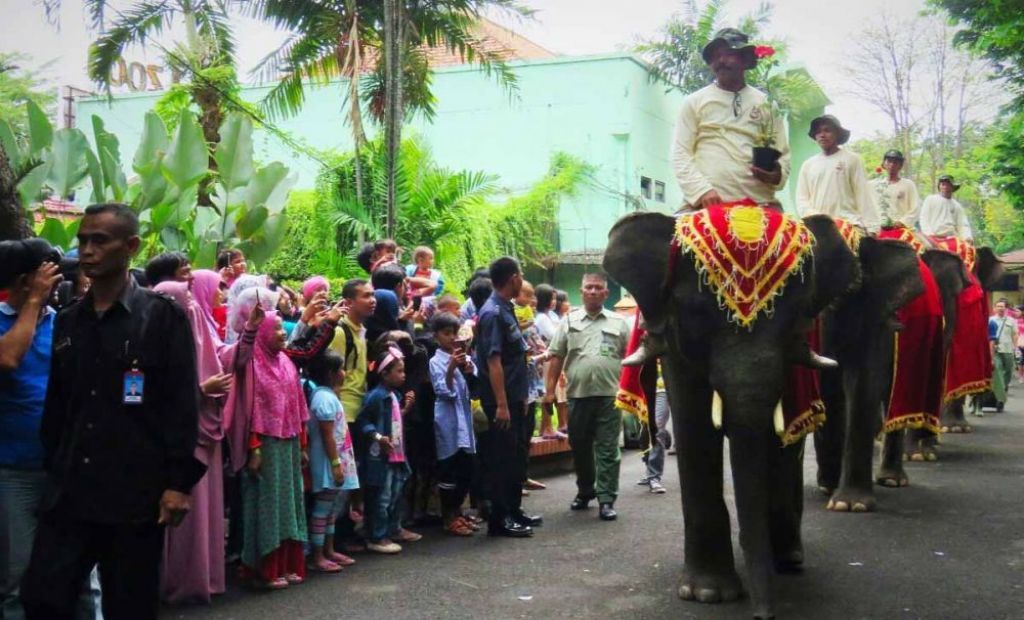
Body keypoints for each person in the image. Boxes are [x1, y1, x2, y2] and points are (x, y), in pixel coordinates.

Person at [21, 203, 205, 620]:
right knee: (43, 597)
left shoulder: (162, 318)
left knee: (130, 604)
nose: (88, 250)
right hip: (71, 490)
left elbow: (180, 403)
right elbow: (58, 404)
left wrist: (178, 484)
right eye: (83, 240)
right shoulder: (69, 321)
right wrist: (55, 462)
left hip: (134, 493)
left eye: (100, 241)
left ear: (131, 246)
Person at [0, 239, 62, 619]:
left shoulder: (65, 321)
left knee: (81, 575)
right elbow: (8, 358)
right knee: (17, 577)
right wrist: (34, 302)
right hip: (14, 471)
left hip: (63, 466)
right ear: (26, 280)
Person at [672, 27, 790, 209]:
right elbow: (680, 153)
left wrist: (776, 175)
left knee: (800, 229)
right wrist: (702, 191)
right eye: (716, 56)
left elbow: (782, 154)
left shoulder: (766, 104)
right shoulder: (694, 101)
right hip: (706, 204)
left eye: (728, 54)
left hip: (760, 204)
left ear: (745, 59)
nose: (721, 61)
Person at [544, 273, 631, 521]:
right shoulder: (568, 321)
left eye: (598, 288)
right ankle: (585, 490)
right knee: (580, 446)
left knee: (608, 448)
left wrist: (630, 392)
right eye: (588, 287)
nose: (593, 291)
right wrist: (549, 392)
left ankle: (607, 499)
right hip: (578, 395)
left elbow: (630, 357)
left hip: (609, 396)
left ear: (606, 293)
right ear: (581, 292)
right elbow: (556, 356)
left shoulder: (619, 323)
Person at [234, 308, 310, 590]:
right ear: (263, 332)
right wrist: (254, 448)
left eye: (282, 328)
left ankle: (287, 564)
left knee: (290, 505)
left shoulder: (286, 362)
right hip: (265, 445)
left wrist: (302, 444)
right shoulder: (252, 364)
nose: (283, 333)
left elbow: (297, 405)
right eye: (277, 328)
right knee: (267, 507)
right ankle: (263, 568)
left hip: (289, 442)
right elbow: (248, 409)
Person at [475, 257, 542, 538]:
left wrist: (521, 396)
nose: (522, 280)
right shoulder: (492, 313)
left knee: (515, 457)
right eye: (521, 275)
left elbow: (516, 358)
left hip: (515, 396)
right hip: (500, 401)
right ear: (513, 278)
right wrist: (502, 404)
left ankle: (514, 510)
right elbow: (494, 362)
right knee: (501, 459)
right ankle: (499, 520)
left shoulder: (506, 308)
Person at [356, 346, 421, 554]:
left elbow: (393, 419)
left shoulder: (394, 396)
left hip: (396, 455)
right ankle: (377, 536)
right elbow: (363, 421)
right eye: (399, 371)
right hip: (381, 456)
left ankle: (392, 529)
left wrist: (405, 410)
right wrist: (377, 437)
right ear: (384, 373)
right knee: (381, 498)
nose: (403, 375)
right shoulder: (376, 397)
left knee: (394, 495)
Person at [304, 350, 359, 572]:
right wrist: (336, 464)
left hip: (335, 462)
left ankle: (328, 550)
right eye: (341, 369)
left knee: (330, 511)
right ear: (331, 373)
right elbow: (327, 435)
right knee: (322, 510)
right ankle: (317, 555)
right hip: (328, 463)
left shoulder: (327, 396)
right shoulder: (323, 399)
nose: (344, 373)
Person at [428, 312, 479, 537]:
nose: (451, 338)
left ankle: (458, 512)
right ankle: (448, 517)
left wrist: (467, 368)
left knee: (466, 469)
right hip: (447, 420)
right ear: (436, 336)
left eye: (454, 333)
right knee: (448, 469)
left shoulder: (461, 356)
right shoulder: (435, 361)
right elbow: (443, 391)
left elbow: (474, 381)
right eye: (446, 333)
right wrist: (451, 368)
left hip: (464, 420)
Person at [795, 115, 880, 234]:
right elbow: (802, 199)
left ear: (837, 134)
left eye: (827, 130)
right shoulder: (808, 165)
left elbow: (863, 194)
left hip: (848, 226)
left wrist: (872, 228)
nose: (822, 135)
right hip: (818, 229)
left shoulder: (852, 159)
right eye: (818, 132)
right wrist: (816, 217)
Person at [638, 364, 670, 494]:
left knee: (657, 429)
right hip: (642, 389)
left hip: (662, 389)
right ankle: (649, 468)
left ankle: (654, 476)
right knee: (644, 433)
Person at [871, 149, 921, 229]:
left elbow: (915, 208)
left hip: (901, 228)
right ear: (883, 163)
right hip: (878, 228)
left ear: (900, 165)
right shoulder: (874, 185)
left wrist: (902, 222)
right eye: (889, 161)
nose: (892, 165)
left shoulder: (908, 184)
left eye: (895, 162)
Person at [987, 299, 1018, 414]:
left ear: (1006, 308)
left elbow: (1015, 334)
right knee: (998, 373)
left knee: (1008, 374)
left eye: (1003, 306)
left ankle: (1003, 390)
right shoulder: (990, 320)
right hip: (996, 351)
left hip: (1008, 350)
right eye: (998, 306)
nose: (1001, 308)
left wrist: (1015, 348)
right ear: (994, 308)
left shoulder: (1011, 321)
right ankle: (1000, 400)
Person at [920, 175, 973, 241]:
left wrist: (967, 237)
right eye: (943, 185)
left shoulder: (957, 206)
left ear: (952, 187)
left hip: (952, 238)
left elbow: (962, 224)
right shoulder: (930, 199)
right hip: (933, 237)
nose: (945, 187)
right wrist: (929, 234)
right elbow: (924, 218)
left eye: (948, 185)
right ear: (939, 186)